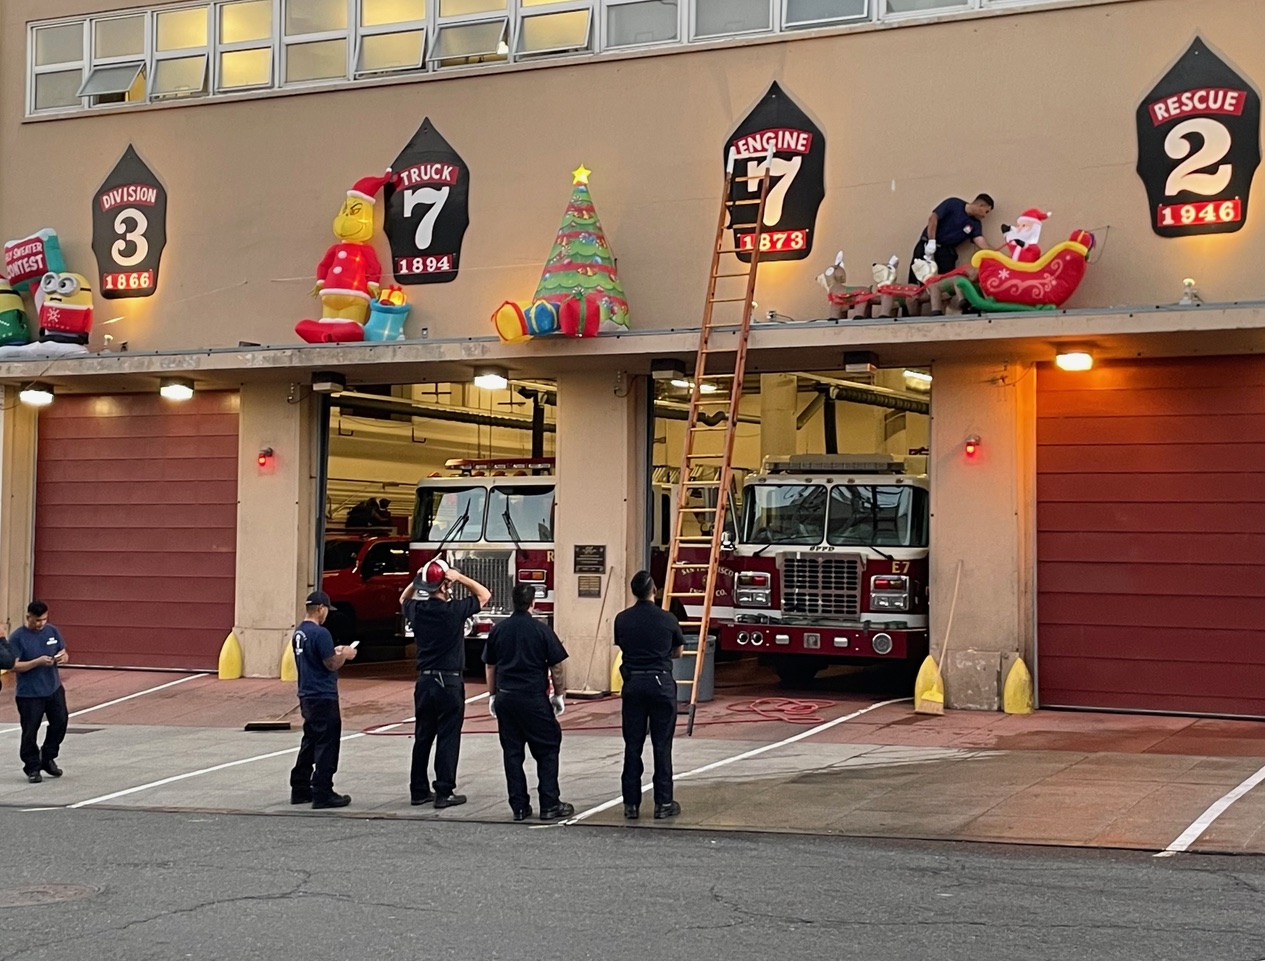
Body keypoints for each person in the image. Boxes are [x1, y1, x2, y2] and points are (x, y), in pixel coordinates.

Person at [401, 558, 491, 809]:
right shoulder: (454, 611)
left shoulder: (417, 610)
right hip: (449, 681)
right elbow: (484, 594)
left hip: (425, 681)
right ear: (444, 587)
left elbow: (403, 599)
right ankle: (444, 791)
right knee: (448, 737)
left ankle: (418, 790)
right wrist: (459, 577)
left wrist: (419, 579)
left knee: (423, 736)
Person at [483, 584, 572, 822]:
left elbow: (490, 665)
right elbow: (557, 664)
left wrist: (492, 695)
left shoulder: (499, 630)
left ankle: (519, 807)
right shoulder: (540, 630)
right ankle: (550, 803)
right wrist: (559, 694)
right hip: (533, 698)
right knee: (547, 749)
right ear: (533, 603)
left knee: (512, 753)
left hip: (506, 697)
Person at [612, 571, 685, 821]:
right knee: (662, 745)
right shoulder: (667, 618)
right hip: (660, 682)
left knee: (633, 745)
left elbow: (622, 646)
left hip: (632, 682)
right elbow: (678, 651)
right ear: (654, 590)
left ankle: (631, 804)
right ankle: (663, 802)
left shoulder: (622, 619)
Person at [289, 589, 358, 809]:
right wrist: (345, 654)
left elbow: (317, 656)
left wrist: (333, 651)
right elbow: (330, 663)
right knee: (327, 742)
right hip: (323, 694)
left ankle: (300, 787)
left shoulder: (300, 632)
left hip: (307, 694)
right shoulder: (321, 633)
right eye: (326, 610)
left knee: (311, 739)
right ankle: (323, 790)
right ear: (320, 609)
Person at [9, 601, 69, 783]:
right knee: (30, 731)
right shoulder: (18, 637)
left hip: (53, 688)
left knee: (60, 722)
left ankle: (48, 756)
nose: (41, 624)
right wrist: (37, 662)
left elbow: (64, 652)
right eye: (37, 620)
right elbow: (13, 665)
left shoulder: (52, 631)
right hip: (30, 694)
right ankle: (32, 767)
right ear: (28, 618)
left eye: (43, 619)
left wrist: (62, 658)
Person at [908, 193, 995, 282]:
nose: (985, 216)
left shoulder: (975, 224)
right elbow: (933, 218)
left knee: (947, 280)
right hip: (927, 244)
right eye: (986, 211)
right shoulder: (953, 204)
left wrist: (994, 253)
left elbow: (979, 239)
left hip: (946, 251)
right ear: (981, 205)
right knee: (917, 273)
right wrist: (931, 241)